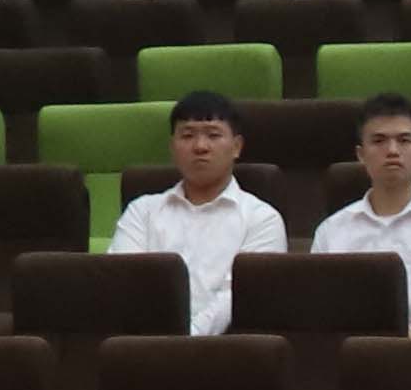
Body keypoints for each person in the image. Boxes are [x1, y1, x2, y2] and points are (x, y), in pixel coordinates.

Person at [110, 93, 285, 332]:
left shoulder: (262, 219)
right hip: (146, 342)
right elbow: (123, 281)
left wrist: (188, 339)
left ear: (236, 147)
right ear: (172, 147)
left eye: (213, 135)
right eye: (187, 135)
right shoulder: (141, 212)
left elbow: (236, 296)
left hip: (231, 348)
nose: (200, 147)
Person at [307, 87, 411, 334]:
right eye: (379, 141)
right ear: (361, 155)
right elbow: (320, 306)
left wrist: (400, 345)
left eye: (404, 140)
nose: (393, 151)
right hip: (347, 351)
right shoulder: (331, 231)